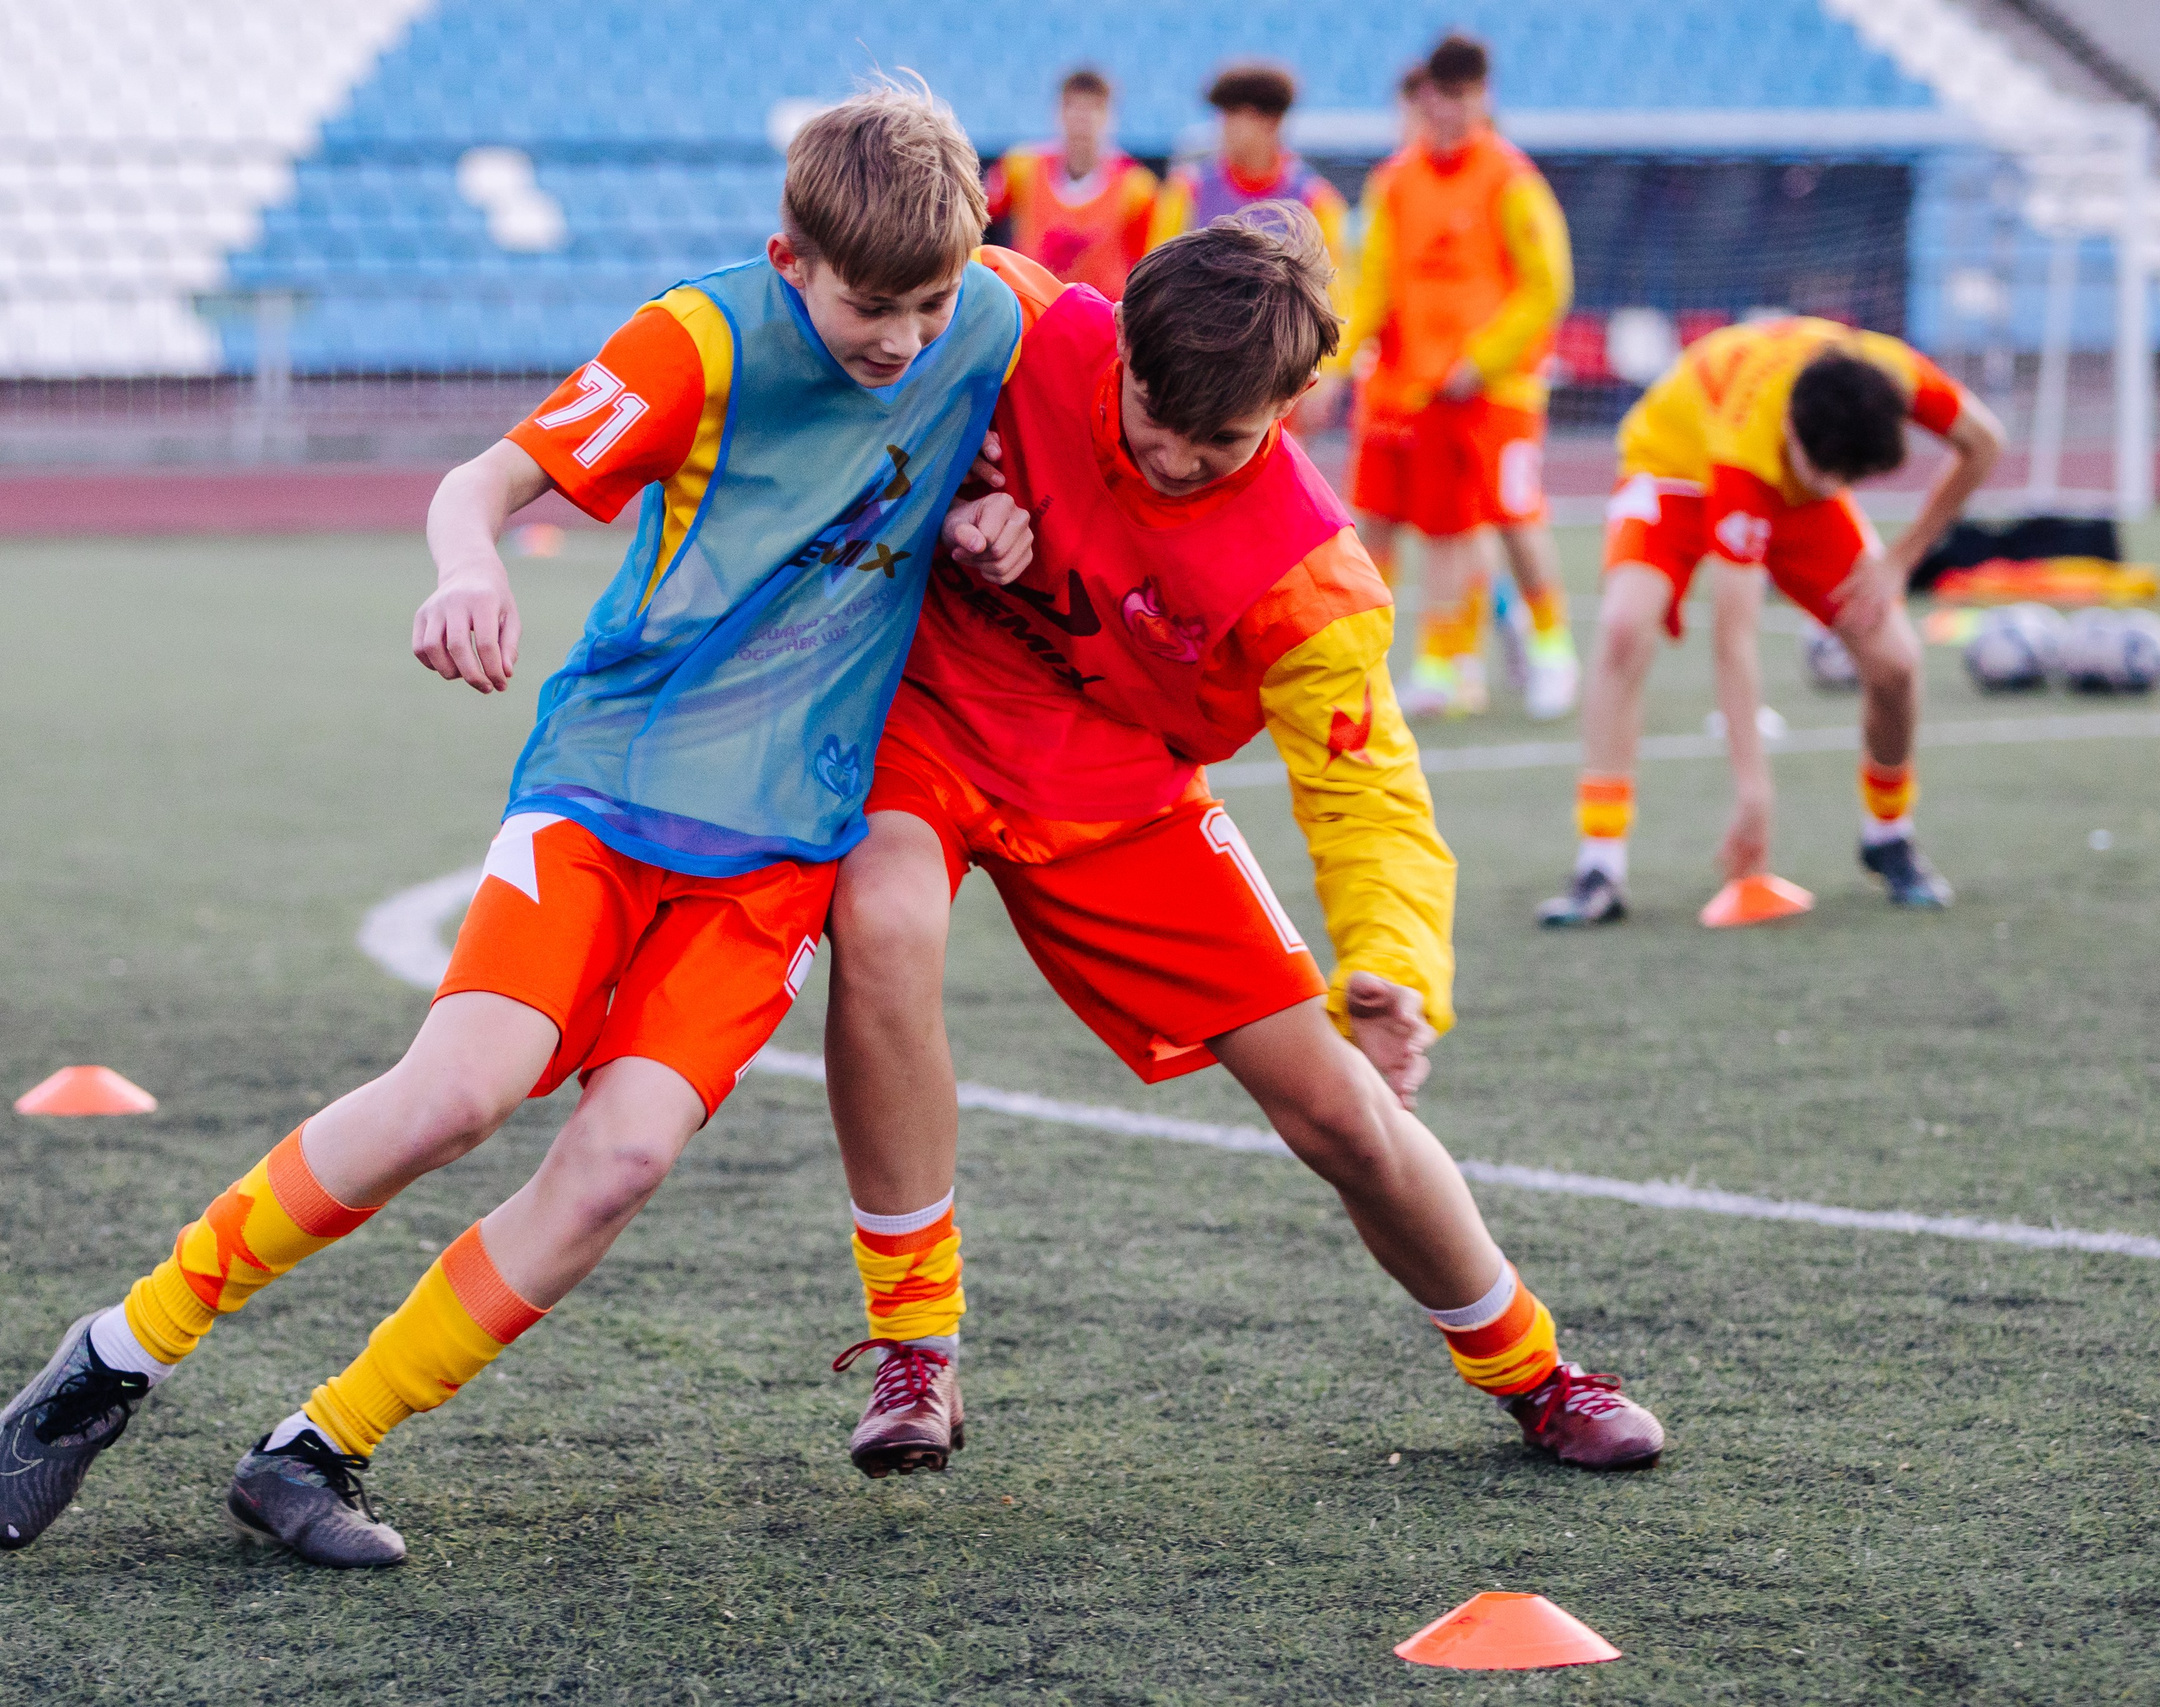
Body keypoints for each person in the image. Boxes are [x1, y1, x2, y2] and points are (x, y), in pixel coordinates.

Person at [0, 84, 1042, 1568]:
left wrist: (1013, 518)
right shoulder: (701, 338)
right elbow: (483, 482)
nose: (909, 340)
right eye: (875, 304)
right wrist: (466, 567)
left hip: (782, 848)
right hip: (606, 789)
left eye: (934, 303)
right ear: (788, 254)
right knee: (457, 1092)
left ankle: (317, 1447)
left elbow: (1114, 386)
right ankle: (115, 1354)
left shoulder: (993, 313)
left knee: (620, 1159)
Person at [821, 207, 1666, 1483]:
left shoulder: (1307, 576)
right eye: (1147, 413)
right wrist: (940, 499)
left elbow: (1370, 796)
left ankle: (1534, 1369)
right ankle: (914, 1350)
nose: (1165, 457)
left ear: (1294, 405)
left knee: (1338, 1109)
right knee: (881, 926)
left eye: (1216, 441)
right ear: (1119, 343)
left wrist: (1392, 968)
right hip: (929, 724)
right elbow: (846, 337)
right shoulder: (1010, 315)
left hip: (1120, 795)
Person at [1537, 316, 2003, 925]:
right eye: (1824, 474)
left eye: (1847, 480)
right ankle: (1599, 864)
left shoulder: (1894, 376)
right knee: (1625, 630)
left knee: (1895, 662)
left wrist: (1903, 558)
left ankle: (1888, 834)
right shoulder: (1748, 445)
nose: (1834, 486)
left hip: (1780, 474)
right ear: (1790, 427)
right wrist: (1754, 792)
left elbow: (1986, 443)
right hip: (1671, 465)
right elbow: (1734, 639)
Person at [1334, 35, 1576, 720]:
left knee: (1517, 518)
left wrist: (1484, 360)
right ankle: (1442, 666)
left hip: (1500, 390)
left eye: (1470, 94)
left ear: (1484, 97)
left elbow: (1547, 285)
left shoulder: (1511, 178)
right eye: (1446, 94)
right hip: (1424, 390)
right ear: (1428, 97)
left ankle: (1554, 649)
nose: (1456, 108)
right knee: (1442, 532)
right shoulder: (1396, 182)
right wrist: (1337, 358)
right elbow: (1373, 283)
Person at [1153, 62, 1351, 306]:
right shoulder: (1186, 190)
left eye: (1237, 114)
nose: (1224, 127)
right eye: (1224, 114)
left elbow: (1331, 297)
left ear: (1272, 122)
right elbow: (1160, 280)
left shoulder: (1318, 202)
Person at [984, 66, 1158, 300]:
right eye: (1072, 106)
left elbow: (1146, 265)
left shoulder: (1137, 187)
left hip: (1101, 321)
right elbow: (977, 220)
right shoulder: (1020, 167)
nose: (1082, 118)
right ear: (1057, 112)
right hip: (1032, 312)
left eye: (1093, 108)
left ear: (1110, 117)